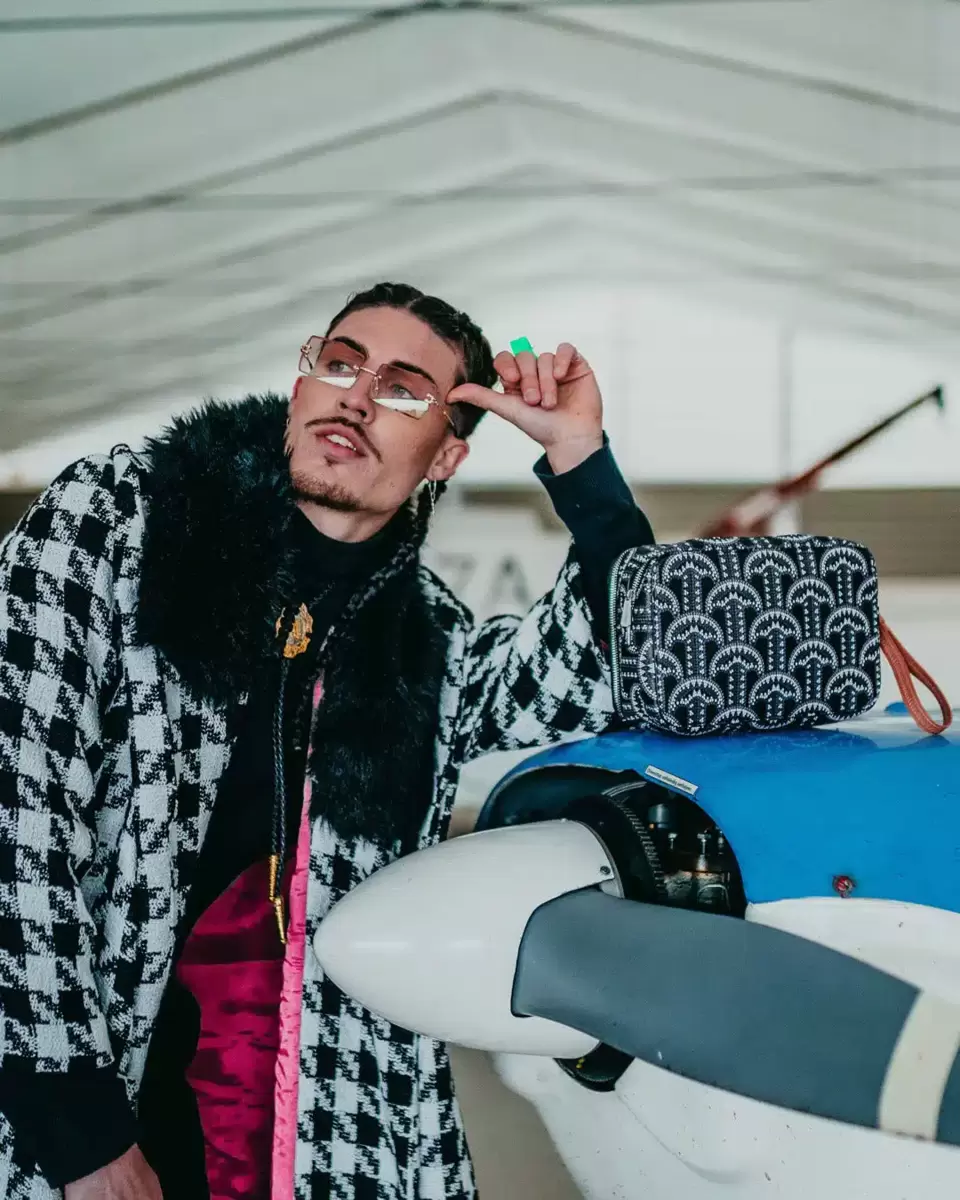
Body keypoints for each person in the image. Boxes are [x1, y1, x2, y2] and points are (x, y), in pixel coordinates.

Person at [0, 281, 654, 1200]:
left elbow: (602, 669)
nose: (356, 396)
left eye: (403, 388)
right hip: (69, 1108)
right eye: (341, 364)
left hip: (308, 1128)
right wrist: (79, 1135)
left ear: (447, 455)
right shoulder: (120, 525)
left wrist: (580, 458)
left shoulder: (428, 643)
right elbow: (18, 813)